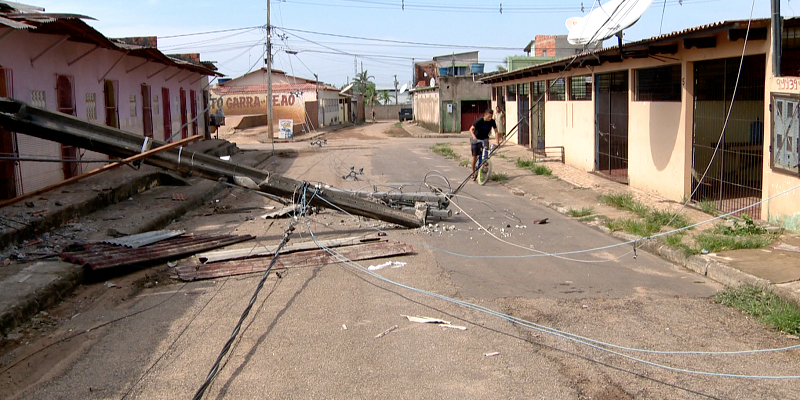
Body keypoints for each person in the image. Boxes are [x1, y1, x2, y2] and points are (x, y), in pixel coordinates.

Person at [469, 109, 500, 181]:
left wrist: (497, 142)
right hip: (476, 139)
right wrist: (474, 137)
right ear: (485, 115)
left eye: (491, 117)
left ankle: (484, 167)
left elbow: (496, 131)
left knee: (486, 154)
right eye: (489, 117)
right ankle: (473, 173)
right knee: (474, 156)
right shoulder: (480, 120)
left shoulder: (492, 121)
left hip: (485, 138)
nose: (490, 118)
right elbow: (471, 129)